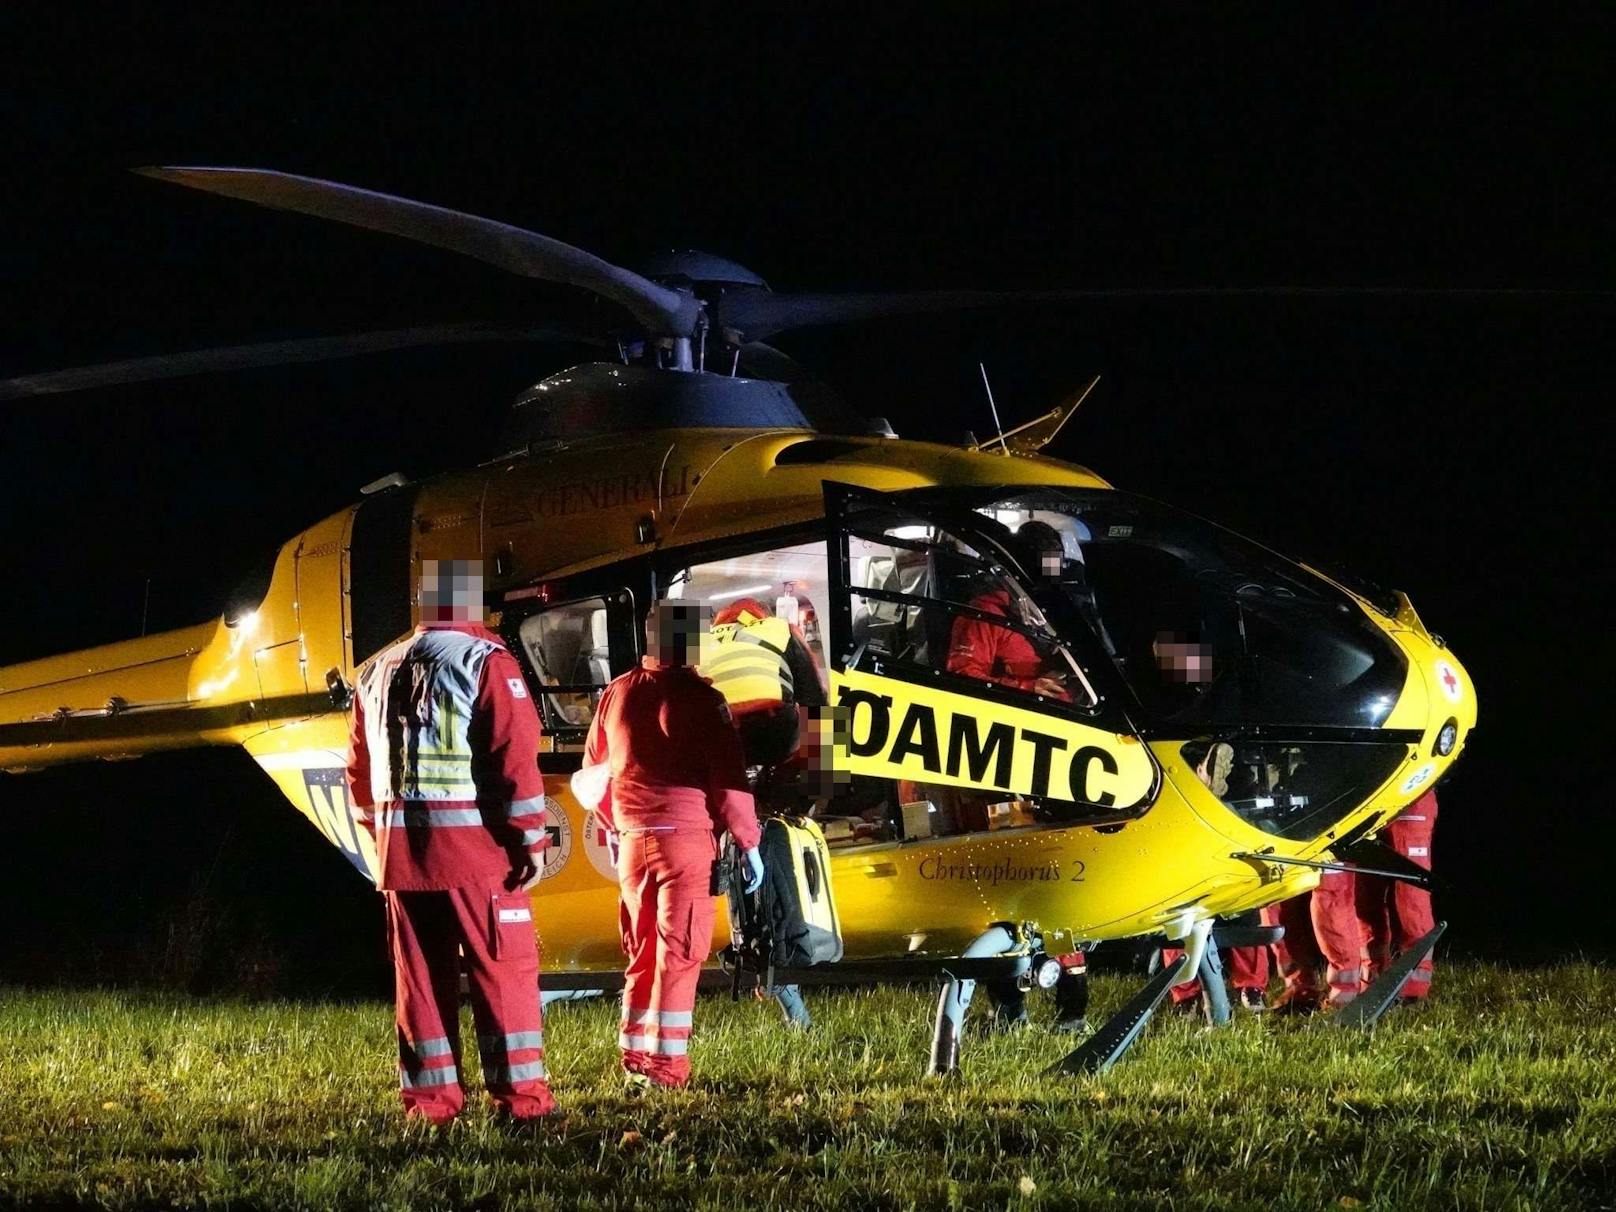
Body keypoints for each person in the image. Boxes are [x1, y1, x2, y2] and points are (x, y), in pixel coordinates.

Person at [345, 558, 555, 1124]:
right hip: (476, 853)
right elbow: (513, 761)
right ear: (470, 603)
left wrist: (382, 841)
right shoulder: (486, 662)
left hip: (401, 856)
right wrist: (530, 841)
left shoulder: (374, 671)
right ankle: (521, 1103)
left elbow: (359, 776)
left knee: (420, 982)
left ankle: (430, 1104)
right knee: (502, 972)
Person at [572, 600, 766, 1088]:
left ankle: (635, 1060)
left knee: (640, 952)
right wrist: (750, 842)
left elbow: (594, 775)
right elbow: (729, 783)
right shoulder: (702, 699)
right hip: (686, 843)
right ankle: (667, 1069)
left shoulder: (616, 693)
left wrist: (617, 826)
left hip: (632, 844)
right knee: (679, 953)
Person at [1355, 789, 1440, 1001]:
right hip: (1365, 798)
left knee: (1412, 897)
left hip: (1410, 792)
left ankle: (1414, 988)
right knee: (1365, 898)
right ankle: (1374, 979)